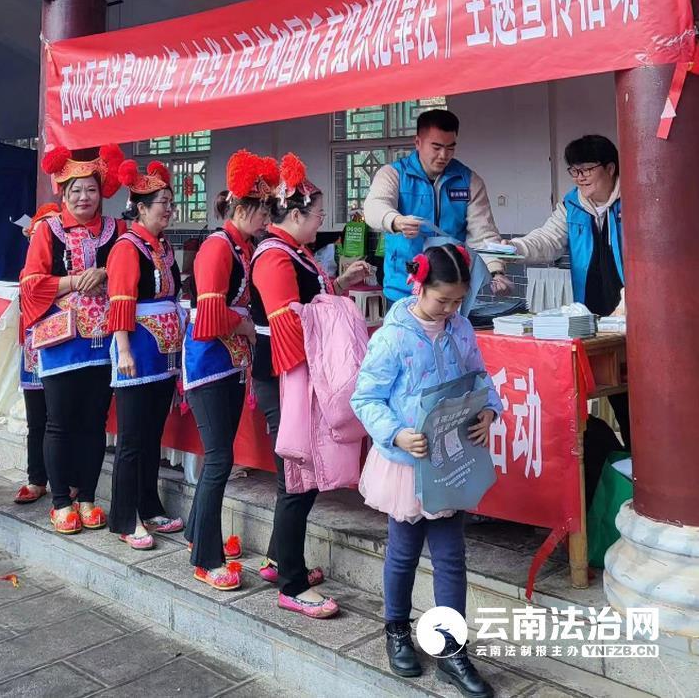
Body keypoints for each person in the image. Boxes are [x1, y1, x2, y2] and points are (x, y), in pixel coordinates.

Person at [351, 244, 500, 697]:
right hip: (407, 463)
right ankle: (397, 630)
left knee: (451, 556)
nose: (450, 310)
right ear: (418, 287)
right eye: (442, 300)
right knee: (403, 551)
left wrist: (489, 411)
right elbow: (365, 398)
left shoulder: (460, 329)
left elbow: (480, 377)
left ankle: (452, 651)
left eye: (458, 301)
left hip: (450, 460)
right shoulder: (393, 337)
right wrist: (396, 434)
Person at [250, 153, 370, 618]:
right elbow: (290, 326)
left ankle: (279, 560)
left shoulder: (295, 252)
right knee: (296, 479)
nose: (322, 219)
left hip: (298, 375)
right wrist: (320, 382)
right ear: (296, 214)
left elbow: (310, 304)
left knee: (301, 478)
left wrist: (339, 283)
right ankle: (292, 585)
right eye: (318, 212)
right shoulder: (274, 256)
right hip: (288, 378)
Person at [21, 144, 125, 534]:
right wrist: (76, 281)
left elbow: (130, 271)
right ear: (64, 194)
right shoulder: (48, 230)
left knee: (94, 423)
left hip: (103, 341)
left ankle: (88, 497)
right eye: (76, 190)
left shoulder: (118, 231)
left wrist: (105, 273)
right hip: (61, 342)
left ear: (101, 193)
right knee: (59, 422)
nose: (84, 197)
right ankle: (61, 501)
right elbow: (31, 283)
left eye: (91, 190)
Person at [183, 149, 275, 589]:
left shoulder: (242, 247)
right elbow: (208, 316)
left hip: (229, 363)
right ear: (241, 209)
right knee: (219, 458)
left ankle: (196, 532)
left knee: (219, 456)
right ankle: (206, 558)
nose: (267, 219)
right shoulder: (218, 248)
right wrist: (244, 326)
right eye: (262, 211)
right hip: (210, 365)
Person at [507, 135, 629, 446]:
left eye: (587, 169)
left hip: (632, 314)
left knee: (639, 398)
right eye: (574, 171)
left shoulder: (633, 198)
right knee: (614, 394)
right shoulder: (572, 205)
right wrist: (512, 248)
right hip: (595, 320)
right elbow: (546, 240)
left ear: (611, 168)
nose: (580, 177)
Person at [106, 160, 186, 550]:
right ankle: (124, 517)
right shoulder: (127, 247)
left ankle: (149, 505)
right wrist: (123, 350)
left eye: (170, 202)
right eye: (162, 203)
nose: (168, 209)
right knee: (132, 438)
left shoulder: (164, 246)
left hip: (162, 356)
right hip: (136, 351)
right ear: (140, 207)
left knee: (152, 434)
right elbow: (120, 300)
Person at [363, 109, 512, 306]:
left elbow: (483, 232)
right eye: (436, 147)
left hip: (450, 293)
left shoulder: (468, 181)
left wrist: (496, 270)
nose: (444, 155)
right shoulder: (393, 174)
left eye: (450, 148)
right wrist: (396, 221)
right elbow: (374, 207)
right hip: (403, 290)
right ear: (418, 142)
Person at [14, 203, 60, 505]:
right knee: (37, 420)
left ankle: (63, 480)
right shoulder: (27, 273)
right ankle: (36, 478)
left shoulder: (65, 270)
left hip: (60, 348)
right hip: (34, 353)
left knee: (61, 419)